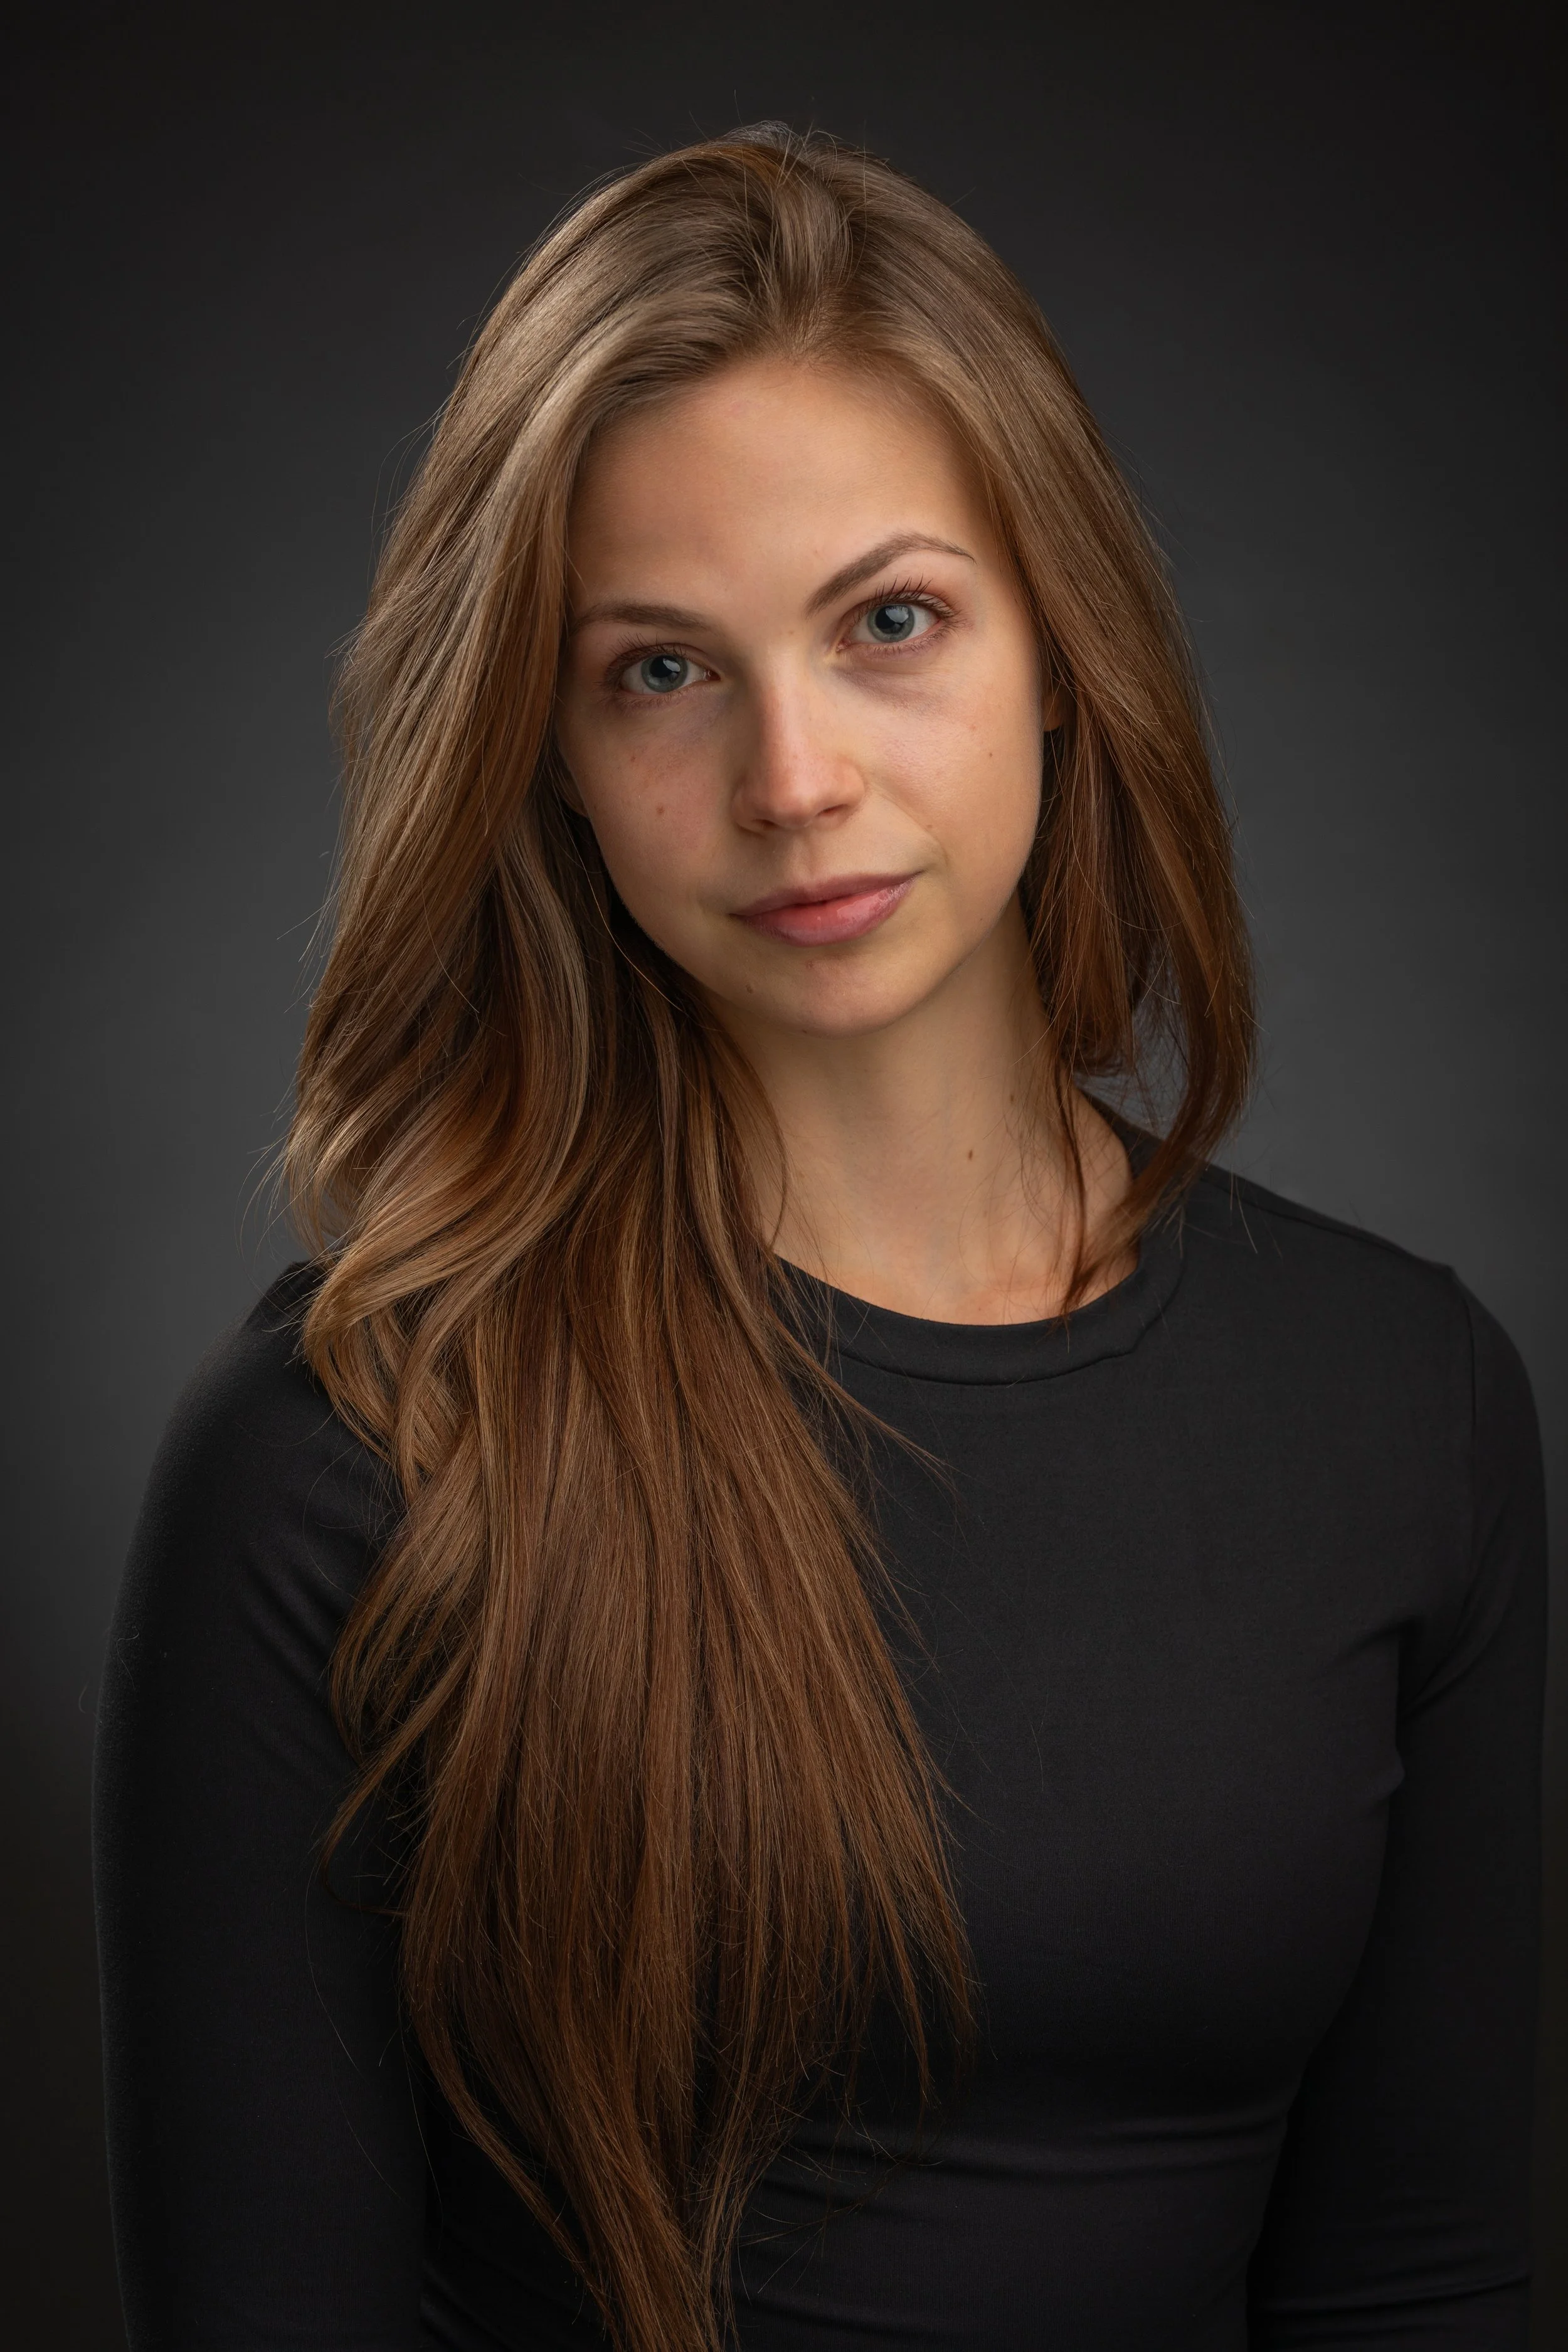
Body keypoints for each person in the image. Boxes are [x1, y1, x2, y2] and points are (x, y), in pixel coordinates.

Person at [93, 125, 1545, 2352]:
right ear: (546, 753)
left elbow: (1420, 2280)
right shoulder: (351, 1456)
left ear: (1057, 644)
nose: (792, 779)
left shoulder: (1404, 1399)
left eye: (888, 622)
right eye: (659, 670)